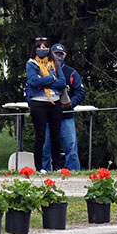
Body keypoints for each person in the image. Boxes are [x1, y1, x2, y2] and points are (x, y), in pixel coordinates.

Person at [41, 43, 85, 171]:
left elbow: (81, 92)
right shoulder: (42, 71)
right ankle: (44, 173)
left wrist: (69, 104)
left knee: (71, 149)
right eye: (55, 54)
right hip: (48, 117)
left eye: (60, 54)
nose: (58, 57)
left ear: (65, 55)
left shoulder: (71, 73)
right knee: (45, 149)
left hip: (66, 116)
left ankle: (74, 174)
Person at [25, 39, 66, 174]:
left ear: (49, 49)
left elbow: (62, 82)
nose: (42, 49)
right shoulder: (31, 64)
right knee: (40, 136)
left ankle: (57, 166)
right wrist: (51, 78)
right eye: (39, 47)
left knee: (55, 135)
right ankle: (39, 167)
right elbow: (34, 81)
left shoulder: (55, 63)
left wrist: (45, 81)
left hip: (54, 102)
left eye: (45, 47)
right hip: (38, 102)